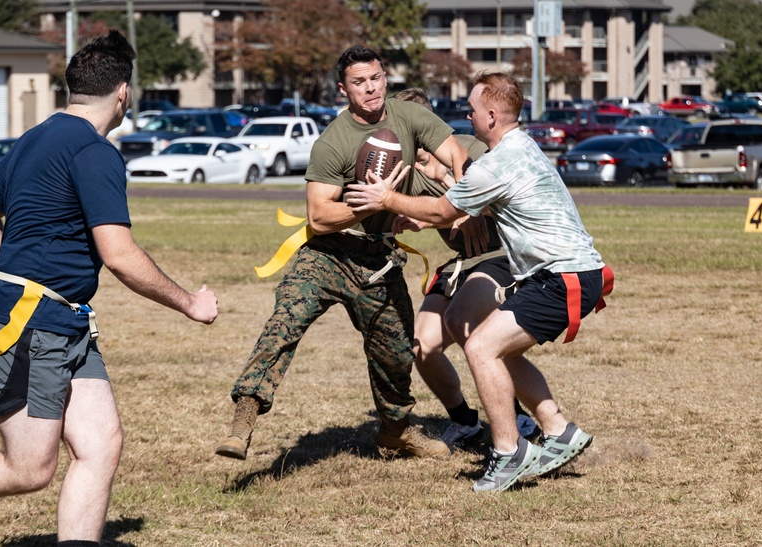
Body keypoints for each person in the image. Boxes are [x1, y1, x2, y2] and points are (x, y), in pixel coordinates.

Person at [0, 31, 219, 547]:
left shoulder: (36, 136)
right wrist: (190, 303)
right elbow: (119, 255)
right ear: (123, 93)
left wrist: (19, 275)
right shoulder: (94, 152)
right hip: (28, 325)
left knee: (100, 444)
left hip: (62, 319)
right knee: (30, 468)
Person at [346, 71, 609, 493]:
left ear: (491, 114)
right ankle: (559, 431)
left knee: (481, 347)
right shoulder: (517, 148)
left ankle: (509, 451)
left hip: (563, 277)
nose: (465, 115)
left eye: (470, 109)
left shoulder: (500, 161)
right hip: (568, 273)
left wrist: (386, 198)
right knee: (493, 346)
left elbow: (441, 213)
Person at [215, 46, 469, 461]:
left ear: (385, 78)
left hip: (379, 260)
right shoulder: (333, 141)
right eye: (359, 82)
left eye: (376, 78)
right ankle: (244, 416)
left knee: (397, 354)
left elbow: (456, 155)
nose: (370, 89)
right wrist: (371, 203)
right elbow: (317, 216)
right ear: (342, 90)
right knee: (285, 322)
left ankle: (395, 432)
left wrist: (463, 203)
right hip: (327, 256)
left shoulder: (410, 117)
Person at [395, 88, 540, 451]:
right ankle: (465, 422)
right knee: (422, 346)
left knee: (472, 329)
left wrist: (459, 199)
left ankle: (517, 417)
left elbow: (495, 196)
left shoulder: (469, 149)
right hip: (460, 263)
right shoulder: (405, 167)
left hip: (499, 256)